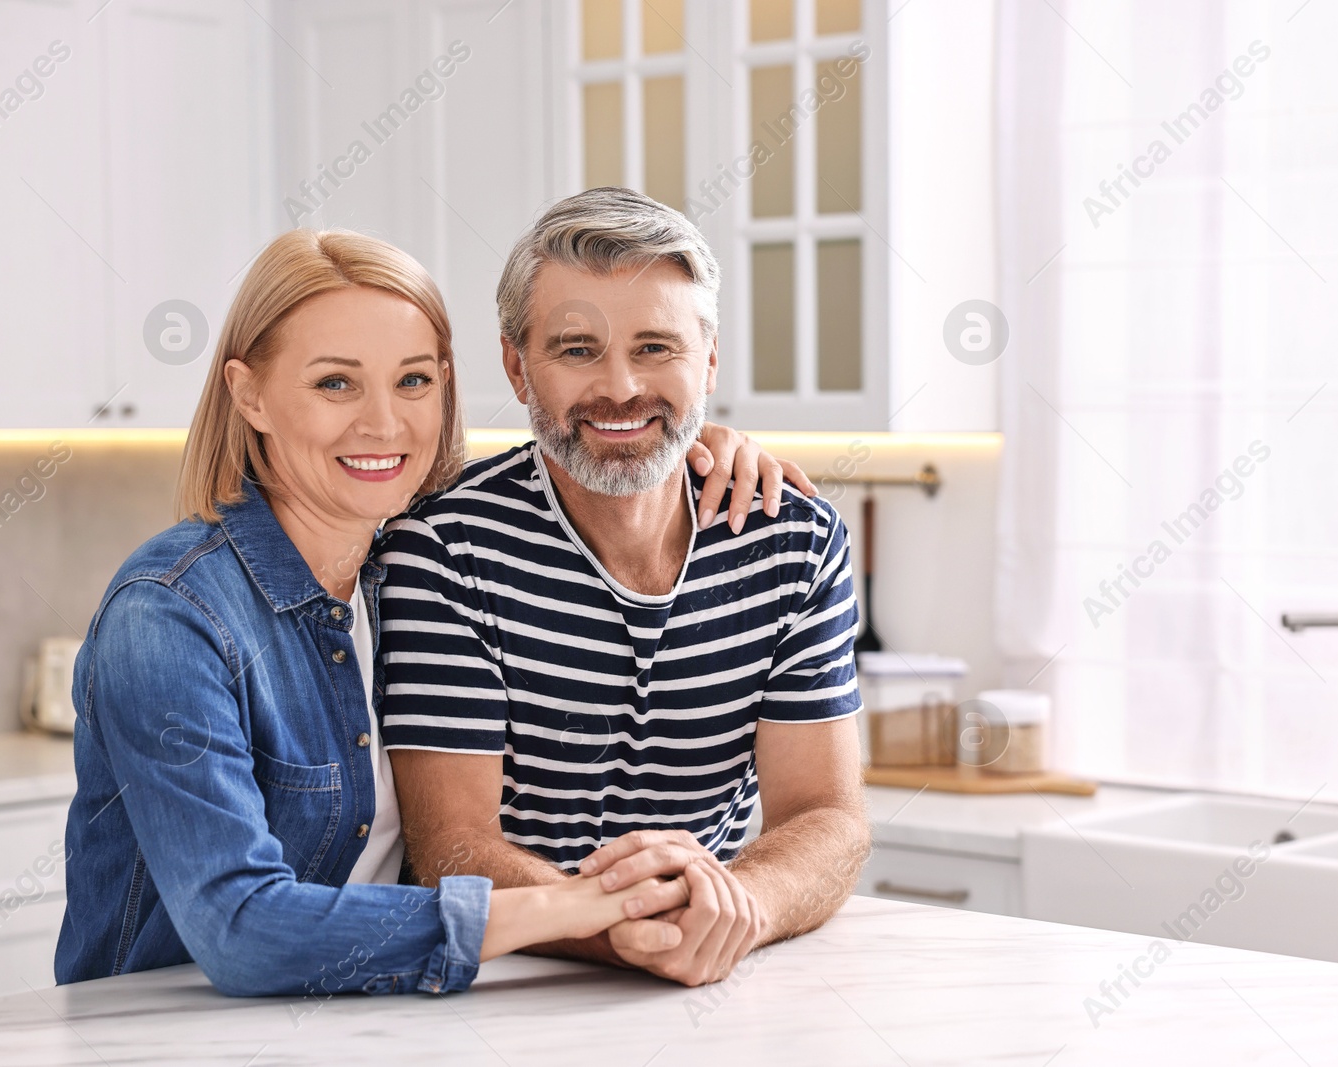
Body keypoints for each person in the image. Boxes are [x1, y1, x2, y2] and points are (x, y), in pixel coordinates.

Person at [54, 226, 811, 996]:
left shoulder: (406, 571)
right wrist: (574, 904)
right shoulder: (169, 617)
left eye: (413, 381)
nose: (384, 423)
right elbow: (242, 928)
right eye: (335, 384)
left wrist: (693, 442)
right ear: (249, 394)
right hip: (168, 1037)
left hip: (371, 1024)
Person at [380, 187, 872, 989]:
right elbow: (452, 849)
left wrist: (740, 904)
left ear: (708, 358)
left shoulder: (794, 543)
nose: (619, 387)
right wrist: (631, 929)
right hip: (504, 992)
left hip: (712, 978)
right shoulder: (444, 551)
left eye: (655, 347)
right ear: (516, 365)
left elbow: (827, 815)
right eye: (577, 350)